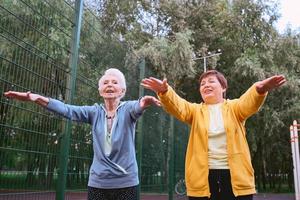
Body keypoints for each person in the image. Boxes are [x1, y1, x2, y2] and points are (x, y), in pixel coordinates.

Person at [4, 68, 160, 200]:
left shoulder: (128, 109)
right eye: (105, 83)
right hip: (98, 184)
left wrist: (145, 102)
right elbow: (67, 109)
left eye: (114, 82)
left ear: (122, 90)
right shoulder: (93, 112)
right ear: (100, 91)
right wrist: (36, 98)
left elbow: (138, 107)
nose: (110, 85)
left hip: (126, 183)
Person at [141, 70, 286, 200]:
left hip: (236, 178)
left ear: (223, 88)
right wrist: (165, 91)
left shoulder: (235, 108)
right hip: (203, 179)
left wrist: (259, 89)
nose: (206, 85)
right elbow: (179, 106)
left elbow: (248, 102)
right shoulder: (195, 111)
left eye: (211, 81)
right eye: (202, 83)